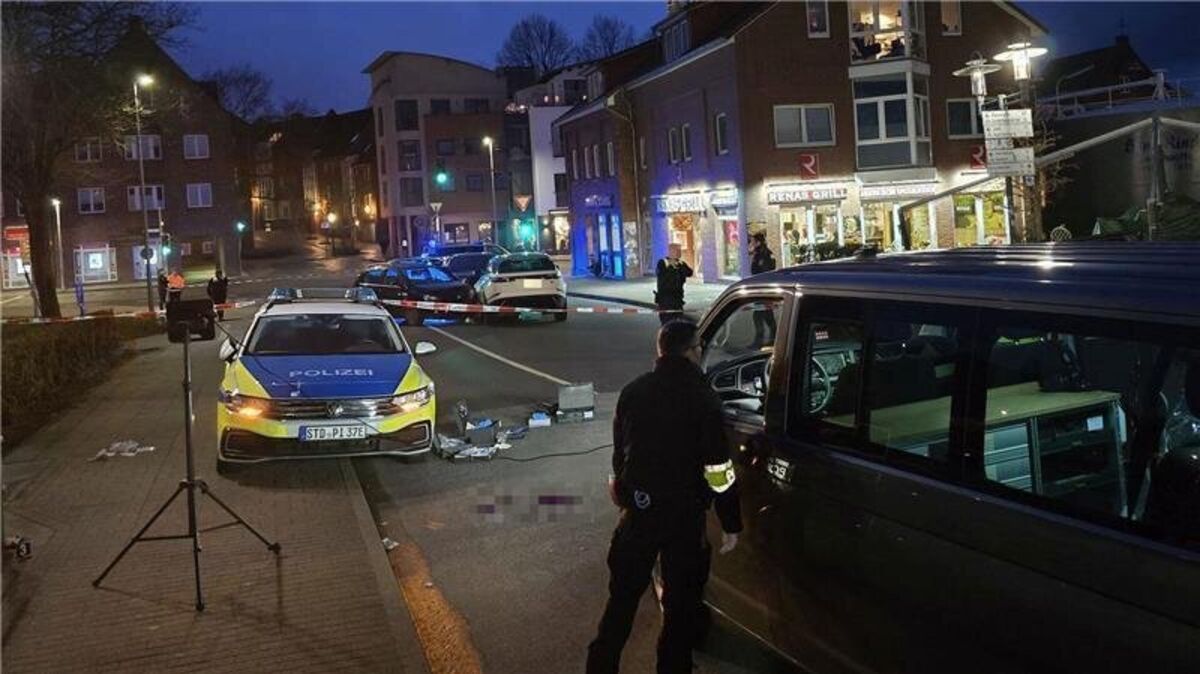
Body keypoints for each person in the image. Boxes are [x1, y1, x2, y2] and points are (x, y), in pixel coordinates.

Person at [586, 320, 742, 674]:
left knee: (621, 603)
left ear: (660, 351)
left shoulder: (633, 391)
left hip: (639, 514)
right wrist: (731, 522)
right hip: (683, 519)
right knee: (680, 606)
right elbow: (718, 468)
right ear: (693, 351)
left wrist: (628, 496)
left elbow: (620, 455)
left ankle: (600, 666)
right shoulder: (704, 399)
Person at [749, 233, 778, 346]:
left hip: (763, 288)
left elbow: (763, 270)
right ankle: (772, 338)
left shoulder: (763, 254)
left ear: (758, 242)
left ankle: (761, 340)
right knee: (764, 314)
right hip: (762, 288)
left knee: (759, 314)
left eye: (753, 241)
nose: (751, 243)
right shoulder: (761, 253)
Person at [654, 243, 692, 325]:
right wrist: (672, 267)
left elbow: (689, 272)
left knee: (678, 323)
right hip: (665, 299)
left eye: (680, 250)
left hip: (677, 299)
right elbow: (663, 276)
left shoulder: (681, 263)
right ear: (671, 251)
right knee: (667, 323)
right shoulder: (662, 263)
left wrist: (679, 266)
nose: (680, 253)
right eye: (677, 250)